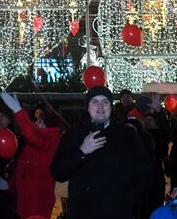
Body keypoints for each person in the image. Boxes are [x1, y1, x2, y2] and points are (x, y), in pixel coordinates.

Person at [50, 86, 152, 219]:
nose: (100, 107)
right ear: (88, 107)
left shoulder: (127, 135)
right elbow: (58, 172)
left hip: (118, 213)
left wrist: (128, 200)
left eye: (105, 102)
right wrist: (82, 151)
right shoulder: (74, 135)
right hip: (83, 213)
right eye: (94, 102)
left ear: (111, 106)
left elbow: (145, 172)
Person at [0, 92, 62, 219]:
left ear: (48, 126)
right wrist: (10, 186)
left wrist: (18, 110)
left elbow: (32, 136)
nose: (36, 123)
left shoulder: (49, 140)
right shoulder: (36, 139)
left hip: (37, 202)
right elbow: (22, 169)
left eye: (40, 121)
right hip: (24, 200)